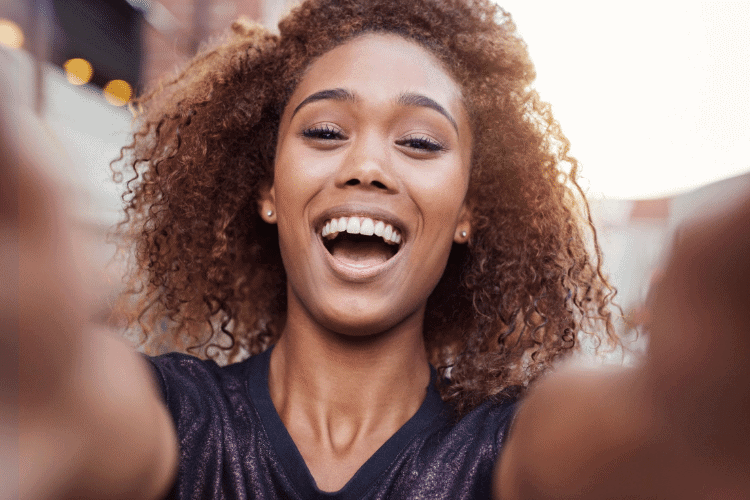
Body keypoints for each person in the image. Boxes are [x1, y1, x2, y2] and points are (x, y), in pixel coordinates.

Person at [11, 0, 749, 498]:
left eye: (420, 142)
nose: (366, 166)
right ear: (267, 189)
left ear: (467, 212)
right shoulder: (167, 416)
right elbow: (63, 411)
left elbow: (644, 448)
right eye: (325, 132)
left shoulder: (520, 444)